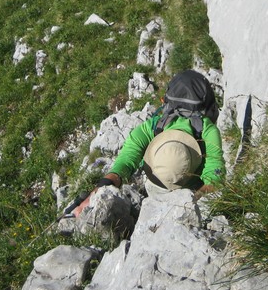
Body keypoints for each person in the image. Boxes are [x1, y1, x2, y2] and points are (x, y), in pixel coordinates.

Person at [72, 71, 225, 217]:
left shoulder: (154, 126)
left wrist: (94, 195)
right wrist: (192, 202)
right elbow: (215, 177)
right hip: (193, 192)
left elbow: (125, 162)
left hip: (155, 191)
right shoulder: (207, 130)